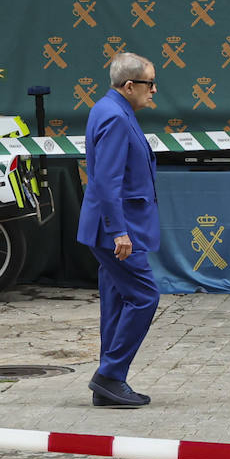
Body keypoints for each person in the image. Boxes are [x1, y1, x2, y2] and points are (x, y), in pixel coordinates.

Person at [76, 52, 160, 409]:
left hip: (114, 226)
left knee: (115, 302)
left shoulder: (109, 109)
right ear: (129, 86)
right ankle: (109, 374)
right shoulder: (115, 116)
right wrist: (118, 232)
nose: (154, 90)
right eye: (149, 83)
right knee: (144, 296)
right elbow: (106, 182)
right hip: (117, 230)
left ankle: (109, 384)